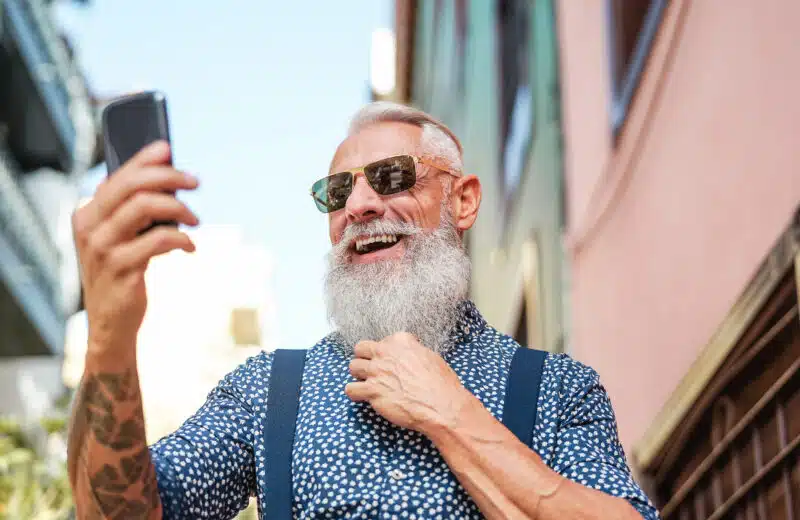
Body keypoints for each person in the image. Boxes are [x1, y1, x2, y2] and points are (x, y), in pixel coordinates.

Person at [67, 102, 660, 519]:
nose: (360, 205)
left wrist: (449, 414)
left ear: (463, 200)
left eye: (391, 177)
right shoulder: (269, 391)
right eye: (337, 192)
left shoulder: (559, 390)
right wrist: (110, 337)